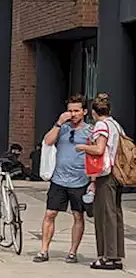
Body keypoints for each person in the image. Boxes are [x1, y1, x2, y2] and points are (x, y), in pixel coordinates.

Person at [33, 95, 90, 263]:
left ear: (84, 112)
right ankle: (44, 250)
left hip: (80, 179)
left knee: (78, 215)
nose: (73, 114)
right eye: (70, 110)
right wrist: (59, 123)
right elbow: (48, 141)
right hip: (59, 178)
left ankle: (72, 251)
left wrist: (92, 180)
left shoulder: (90, 131)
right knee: (50, 213)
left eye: (76, 111)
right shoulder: (62, 128)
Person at [78, 93, 126, 270]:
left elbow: (99, 149)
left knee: (104, 215)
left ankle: (107, 256)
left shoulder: (101, 125)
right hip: (118, 173)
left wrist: (83, 147)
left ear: (93, 112)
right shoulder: (116, 125)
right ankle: (116, 254)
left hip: (106, 174)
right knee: (115, 214)